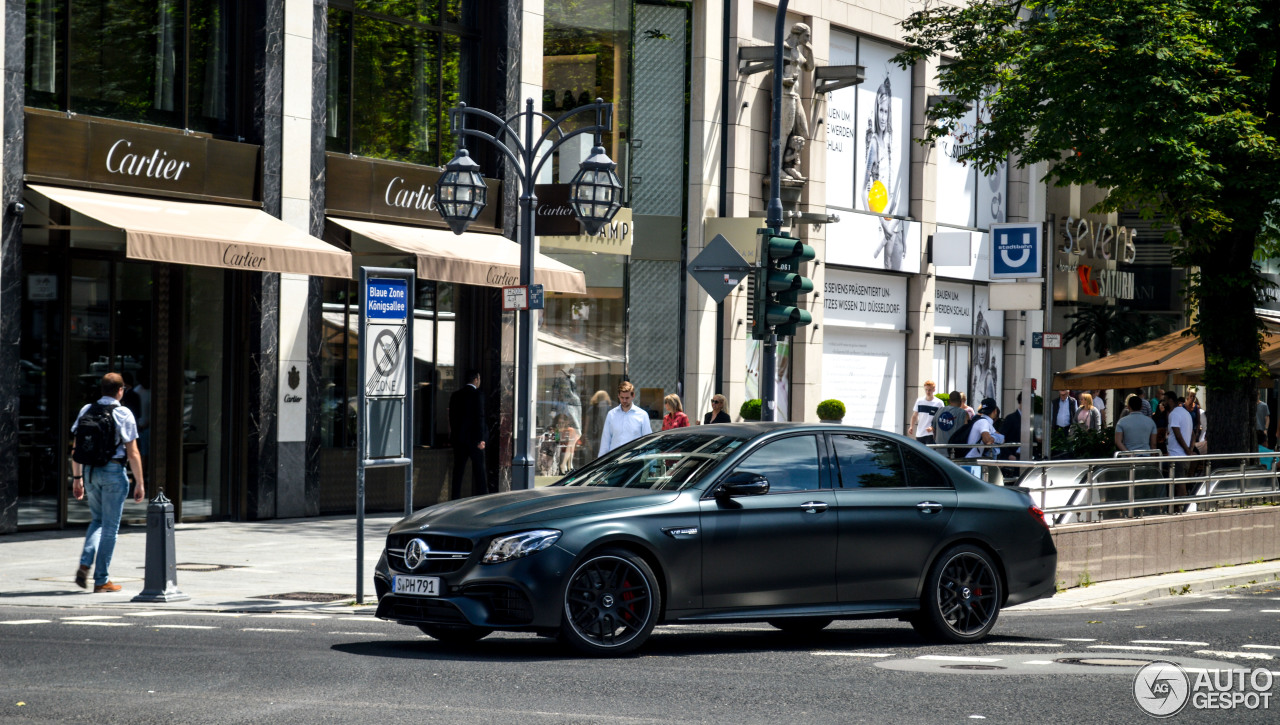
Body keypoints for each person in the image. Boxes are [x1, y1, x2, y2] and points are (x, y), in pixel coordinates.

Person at [71, 372, 146, 593]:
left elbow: (76, 449)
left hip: (91, 473)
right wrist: (140, 483)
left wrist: (77, 478)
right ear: (121, 390)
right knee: (110, 528)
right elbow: (132, 453)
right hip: (114, 472)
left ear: (101, 389)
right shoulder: (123, 413)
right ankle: (101, 580)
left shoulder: (87, 410)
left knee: (97, 521)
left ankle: (86, 562)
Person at [448, 369, 490, 499]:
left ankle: (455, 498)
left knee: (458, 472)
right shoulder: (478, 395)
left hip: (459, 440)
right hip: (475, 440)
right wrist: (481, 439)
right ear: (476, 379)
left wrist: (455, 436)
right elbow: (480, 417)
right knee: (480, 473)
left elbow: (452, 417)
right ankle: (483, 498)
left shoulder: (455, 395)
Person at [599, 380, 652, 455]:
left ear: (633, 396)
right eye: (622, 397)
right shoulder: (611, 414)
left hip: (635, 460)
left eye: (627, 398)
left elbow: (647, 441)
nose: (624, 400)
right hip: (615, 460)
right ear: (618, 396)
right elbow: (605, 440)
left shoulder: (642, 415)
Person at [1166, 391, 1194, 479]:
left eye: (1165, 400)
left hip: (1176, 456)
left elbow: (1178, 435)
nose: (1163, 403)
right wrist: (1190, 449)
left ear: (1170, 400)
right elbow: (1193, 434)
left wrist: (1187, 450)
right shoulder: (1185, 413)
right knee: (1180, 483)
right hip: (1184, 456)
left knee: (1179, 486)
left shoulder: (1174, 414)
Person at [999, 393, 1024, 460]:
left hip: (1026, 455)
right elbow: (1001, 438)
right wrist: (1009, 455)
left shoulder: (1030, 419)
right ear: (1021, 401)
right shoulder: (1011, 418)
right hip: (1013, 455)